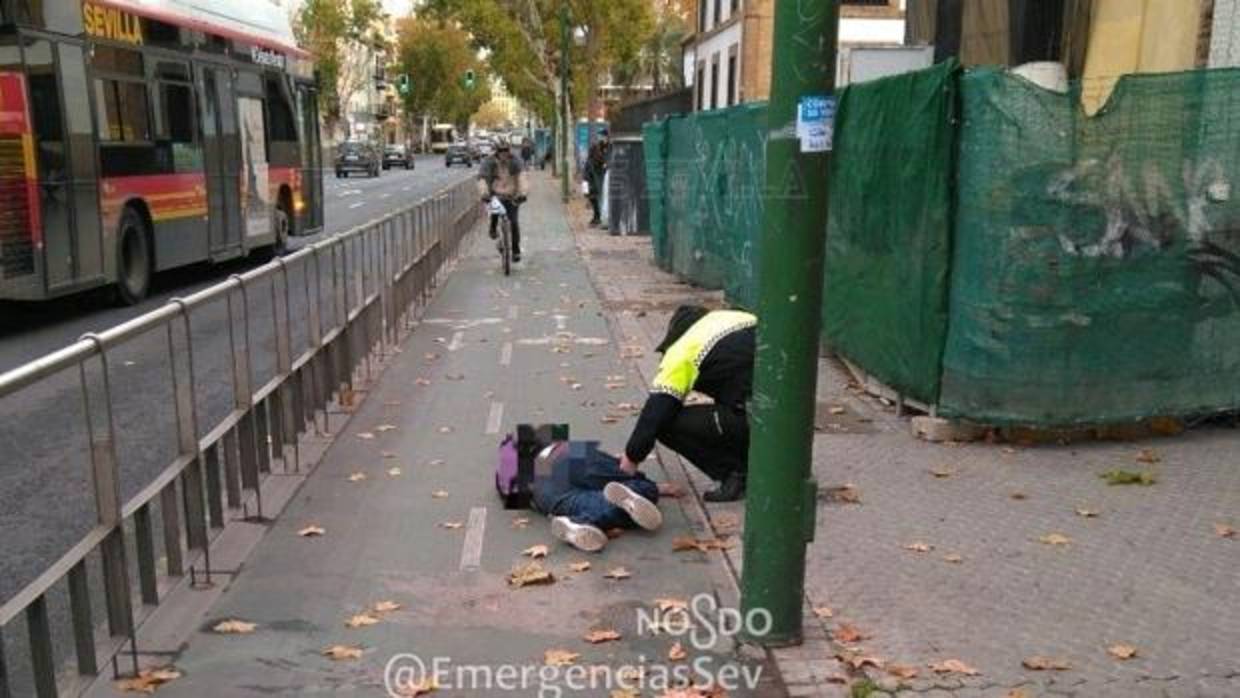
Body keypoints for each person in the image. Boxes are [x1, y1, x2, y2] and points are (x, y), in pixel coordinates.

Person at [620, 306, 756, 502]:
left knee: (667, 424)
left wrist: (631, 458)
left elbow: (656, 412)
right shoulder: (739, 318)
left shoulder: (682, 349)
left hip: (753, 418)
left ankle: (733, 473)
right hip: (793, 412)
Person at [532, 440, 678, 552]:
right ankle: (639, 493)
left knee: (592, 502)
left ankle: (578, 523)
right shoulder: (564, 447)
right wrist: (651, 485)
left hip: (540, 492)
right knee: (644, 489)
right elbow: (619, 471)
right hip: (563, 458)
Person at [477, 137, 529, 262]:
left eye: (506, 150)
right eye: (501, 151)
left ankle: (516, 251)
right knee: (495, 211)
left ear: (509, 150)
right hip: (495, 194)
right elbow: (482, 179)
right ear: (496, 151)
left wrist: (523, 193)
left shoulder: (516, 161)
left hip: (512, 195)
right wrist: (484, 193)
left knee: (514, 223)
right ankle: (493, 228)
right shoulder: (489, 162)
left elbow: (522, 177)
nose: (504, 153)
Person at [584, 130, 610, 226]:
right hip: (592, 174)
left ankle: (599, 216)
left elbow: (606, 160)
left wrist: (605, 163)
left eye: (602, 136)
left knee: (600, 195)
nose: (601, 138)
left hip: (600, 175)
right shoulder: (595, 147)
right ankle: (597, 216)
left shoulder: (609, 147)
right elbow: (590, 160)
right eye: (600, 136)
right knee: (591, 195)